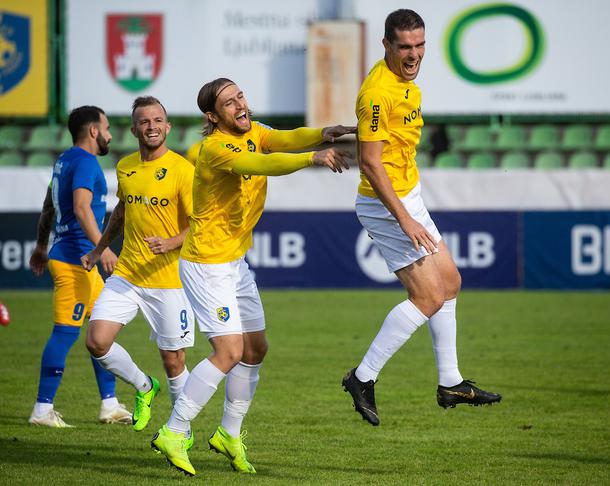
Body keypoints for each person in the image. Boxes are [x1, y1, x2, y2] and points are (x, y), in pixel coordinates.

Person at [150, 77, 355, 477]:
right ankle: (173, 432)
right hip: (206, 263)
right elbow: (260, 164)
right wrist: (312, 158)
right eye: (229, 103)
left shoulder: (254, 131)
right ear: (213, 116)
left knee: (256, 349)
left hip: (234, 262)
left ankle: (228, 434)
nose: (240, 105)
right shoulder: (214, 149)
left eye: (240, 96)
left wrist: (322, 134)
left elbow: (283, 139)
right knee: (228, 352)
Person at [341, 9, 501, 426]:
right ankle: (362, 377)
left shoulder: (406, 85)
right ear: (387, 45)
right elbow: (371, 165)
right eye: (405, 47)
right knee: (427, 297)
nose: (414, 55)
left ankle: (450, 382)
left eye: (419, 45)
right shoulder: (379, 91)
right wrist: (406, 220)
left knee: (450, 283)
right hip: (385, 202)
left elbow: (383, 139)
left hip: (407, 196)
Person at [81, 96, 195, 435]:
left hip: (169, 279)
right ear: (133, 129)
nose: (152, 126)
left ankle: (181, 433)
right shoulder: (126, 166)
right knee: (96, 341)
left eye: (158, 120)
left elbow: (198, 223)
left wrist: (170, 243)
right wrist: (99, 248)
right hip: (128, 274)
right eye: (144, 121)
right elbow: (122, 211)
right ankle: (144, 386)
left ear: (168, 126)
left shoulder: (183, 170)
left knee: (173, 361)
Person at [28, 105, 131, 428]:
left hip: (77, 262)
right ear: (93, 131)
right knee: (65, 332)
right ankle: (42, 410)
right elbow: (82, 208)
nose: (111, 135)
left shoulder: (64, 161)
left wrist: (42, 245)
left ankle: (110, 405)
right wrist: (103, 249)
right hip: (76, 261)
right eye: (107, 127)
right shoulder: (86, 162)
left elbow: (48, 208)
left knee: (101, 333)